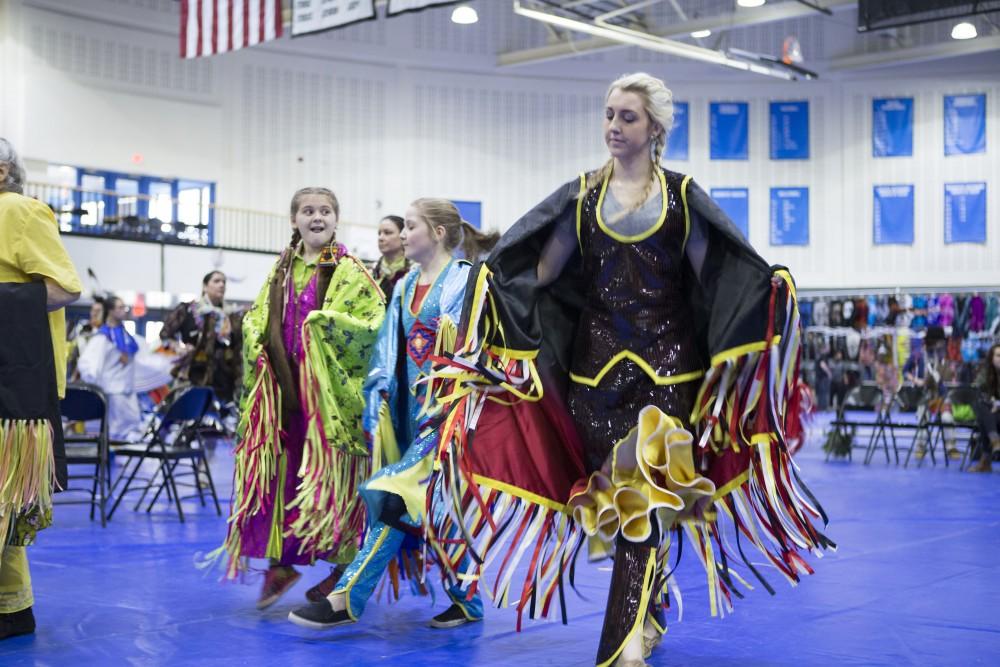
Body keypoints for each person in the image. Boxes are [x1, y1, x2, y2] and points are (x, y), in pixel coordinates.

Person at [418, 74, 831, 666]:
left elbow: (714, 284)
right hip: (593, 384)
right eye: (609, 115)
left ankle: (621, 648)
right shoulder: (582, 198)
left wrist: (769, 297)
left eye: (627, 117)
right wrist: (491, 287)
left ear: (654, 128)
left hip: (670, 379)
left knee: (645, 501)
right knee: (622, 510)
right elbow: (540, 274)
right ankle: (651, 604)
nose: (614, 126)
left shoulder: (683, 198)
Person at [288, 198, 499, 630]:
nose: (402, 235)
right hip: (408, 417)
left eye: (411, 227)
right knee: (439, 509)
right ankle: (467, 599)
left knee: (397, 496)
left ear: (437, 233)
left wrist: (450, 401)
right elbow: (388, 349)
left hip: (450, 417)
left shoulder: (465, 282)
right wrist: (377, 397)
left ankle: (347, 596)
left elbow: (476, 350)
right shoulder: (403, 286)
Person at [207, 187, 384, 610]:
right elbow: (256, 318)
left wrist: (325, 325)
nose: (317, 217)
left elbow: (373, 320)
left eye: (325, 211)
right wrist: (254, 335)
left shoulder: (347, 268)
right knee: (284, 476)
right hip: (286, 396)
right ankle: (282, 562)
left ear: (336, 219)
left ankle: (343, 571)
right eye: (308, 211)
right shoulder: (281, 268)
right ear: (294, 220)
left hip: (328, 402)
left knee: (333, 481)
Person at [0, 136, 82, 639]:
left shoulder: (20, 211)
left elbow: (66, 287)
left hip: (15, 380)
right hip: (11, 376)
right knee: (5, 497)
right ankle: (13, 608)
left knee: (4, 497)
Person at [77, 296, 175, 441]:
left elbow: (145, 357)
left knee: (131, 434)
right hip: (112, 394)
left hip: (128, 393)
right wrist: (94, 392)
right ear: (110, 311)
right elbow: (88, 365)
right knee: (114, 436)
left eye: (125, 307)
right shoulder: (103, 337)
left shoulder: (127, 337)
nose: (124, 311)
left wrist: (172, 362)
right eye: (120, 307)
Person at [160, 271, 242, 403]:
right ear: (205, 286)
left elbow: (238, 345)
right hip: (194, 375)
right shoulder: (189, 310)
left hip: (225, 380)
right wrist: (179, 347)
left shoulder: (232, 315)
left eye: (224, 282)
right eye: (216, 281)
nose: (221, 285)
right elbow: (165, 335)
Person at [968, 343, 1000, 473]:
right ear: (991, 358)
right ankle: (995, 441)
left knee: (984, 418)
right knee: (980, 406)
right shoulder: (986, 373)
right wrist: (992, 403)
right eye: (998, 355)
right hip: (992, 413)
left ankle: (986, 459)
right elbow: (977, 391)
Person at [371, 215, 411, 301]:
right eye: (379, 233)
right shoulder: (371, 271)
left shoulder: (413, 272)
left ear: (403, 236)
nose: (381, 238)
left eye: (387, 233)